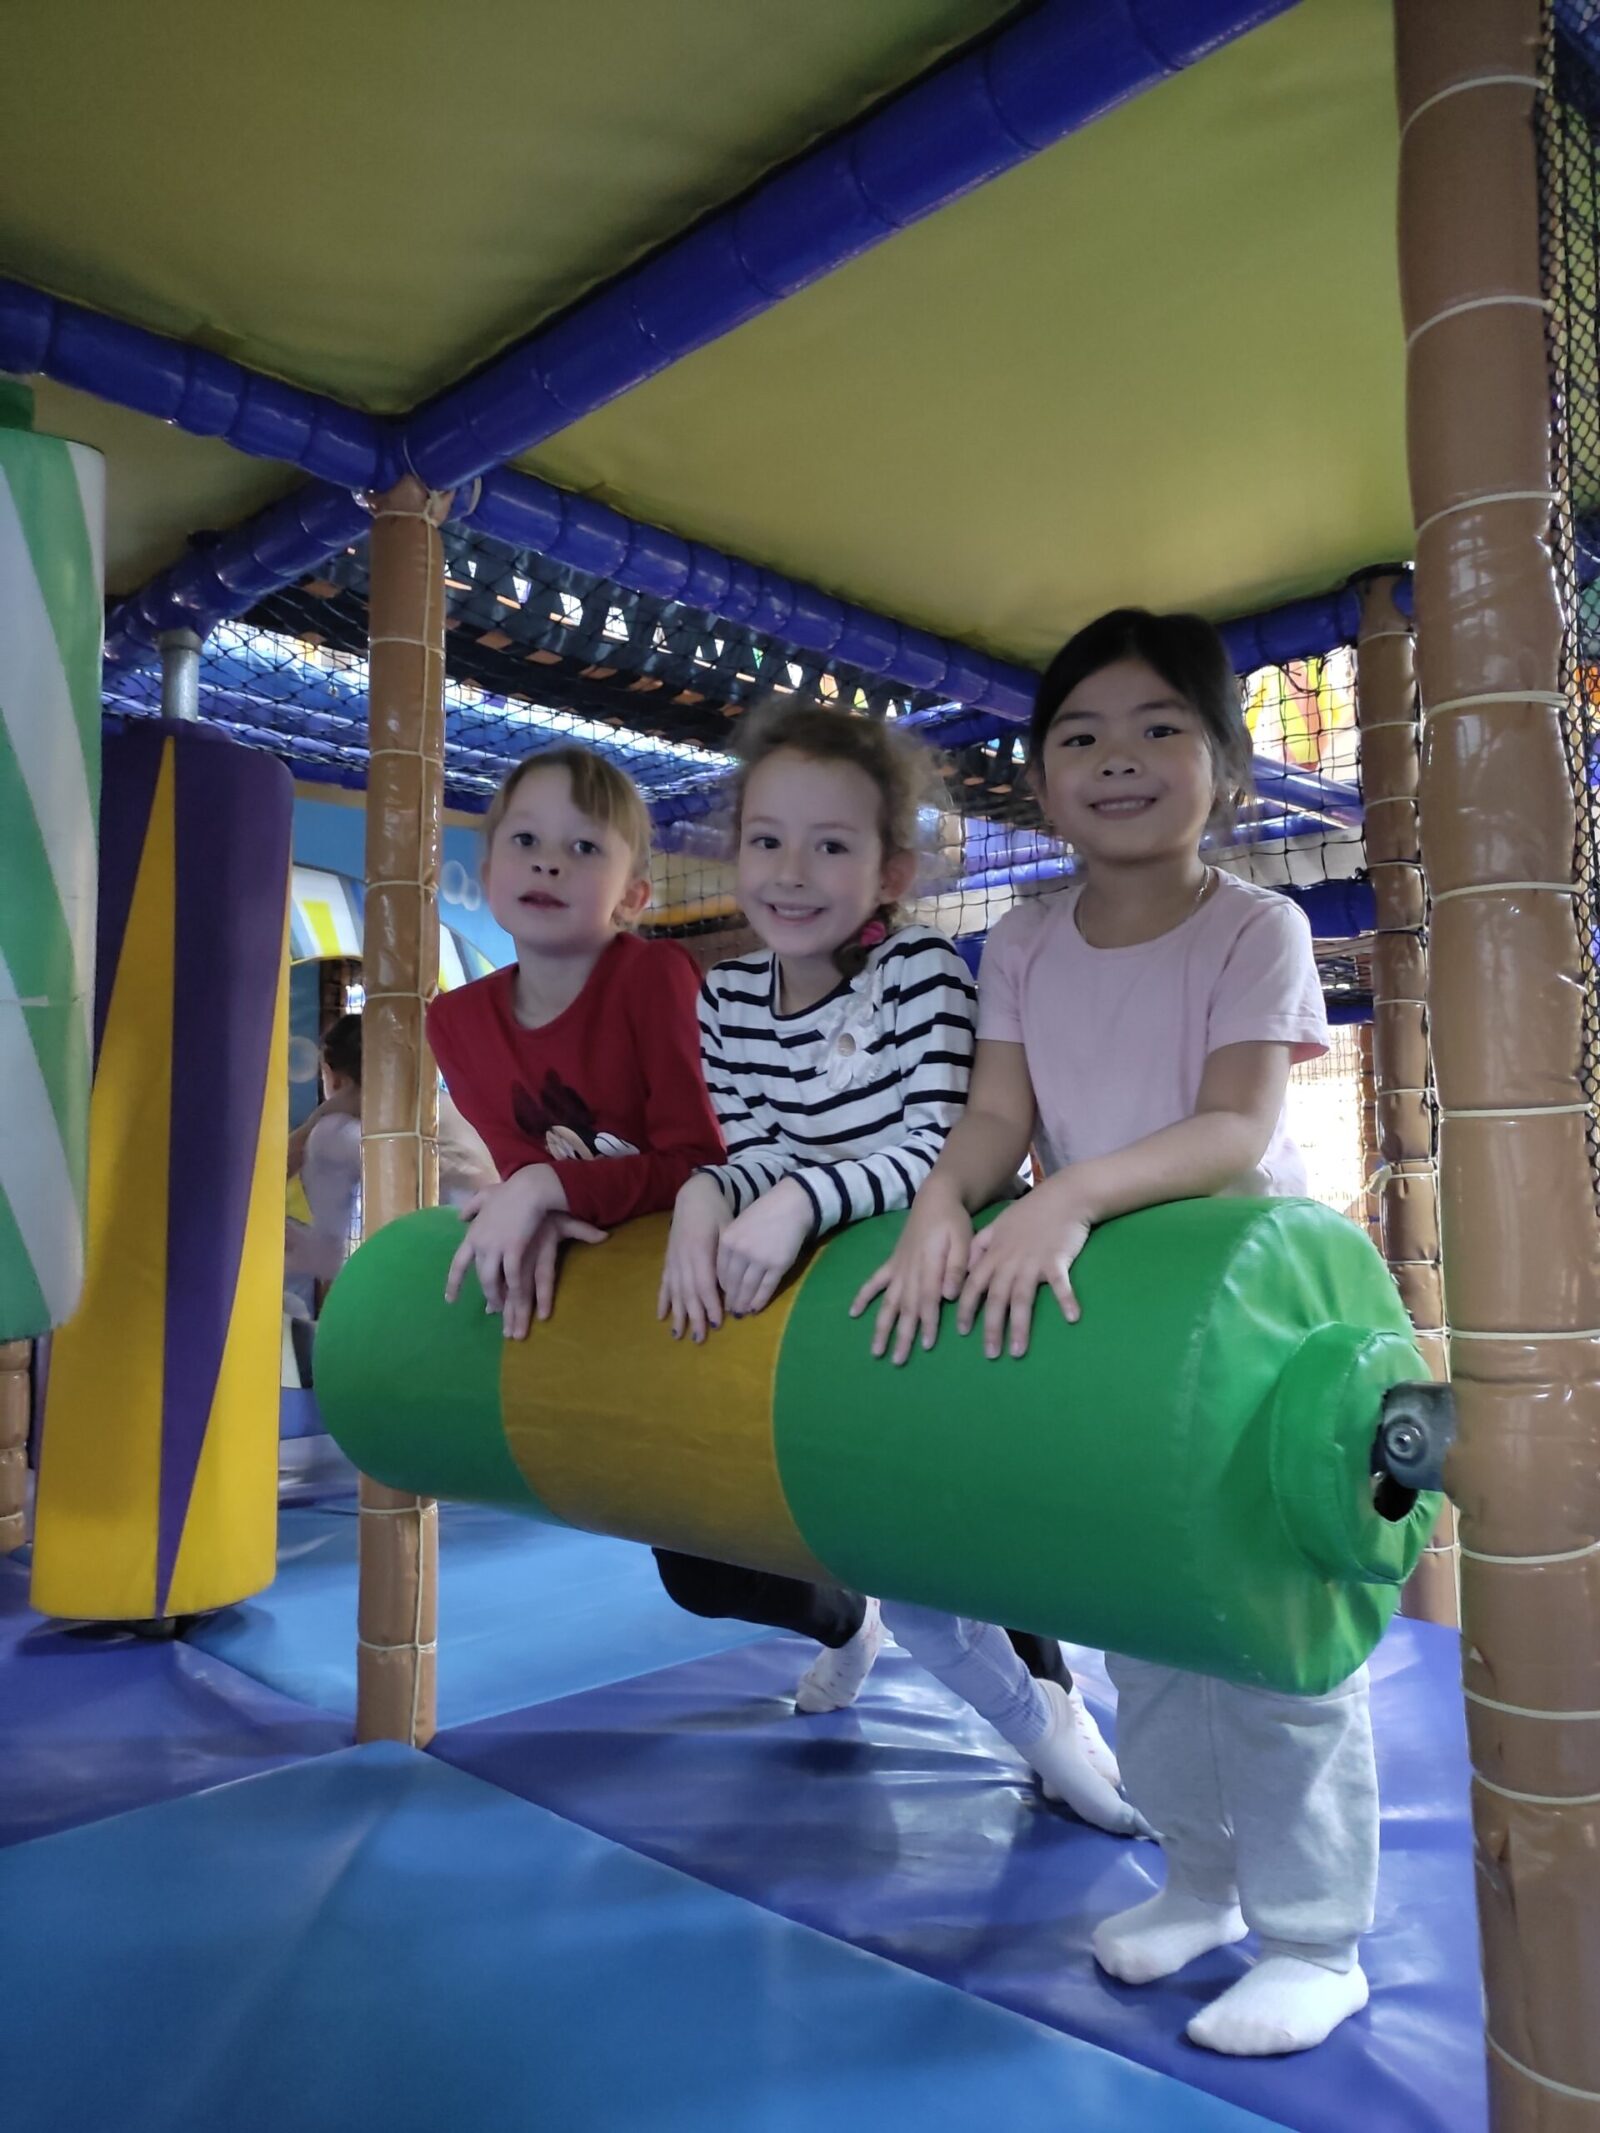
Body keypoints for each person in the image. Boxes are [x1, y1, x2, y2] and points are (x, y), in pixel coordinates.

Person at [856, 609, 1374, 2056]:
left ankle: (1316, 1940)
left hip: (1253, 1324)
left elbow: (1234, 1125)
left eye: (1160, 729)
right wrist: (942, 1204)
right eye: (1080, 736)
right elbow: (995, 1114)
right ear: (1040, 779)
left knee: (1275, 1648)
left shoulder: (1255, 927)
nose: (1118, 758)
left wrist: (1067, 1196)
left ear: (1227, 770)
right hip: (1114, 1329)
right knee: (1146, 1632)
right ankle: (1199, 1882)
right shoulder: (1023, 938)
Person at [659, 702, 1137, 1832]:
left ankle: (1056, 1707)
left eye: (831, 844)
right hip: (819, 1317)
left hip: (936, 1289)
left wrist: (799, 1200)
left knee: (971, 1538)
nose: (791, 872)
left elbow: (942, 1152)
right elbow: (756, 1146)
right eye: (767, 840)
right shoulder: (727, 999)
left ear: (889, 873)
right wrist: (703, 1197)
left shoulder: (918, 971)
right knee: (704, 1563)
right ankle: (851, 1621)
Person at [426, 746, 723, 1338]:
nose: (548, 863)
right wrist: (541, 1206)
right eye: (525, 841)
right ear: (489, 876)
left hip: (685, 1256)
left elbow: (705, 1164)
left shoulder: (654, 978)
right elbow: (523, 1164)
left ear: (632, 896)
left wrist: (548, 1187)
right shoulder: (457, 1023)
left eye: (584, 847)